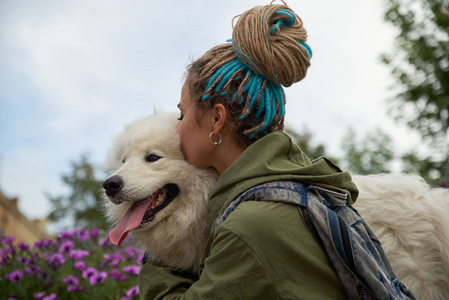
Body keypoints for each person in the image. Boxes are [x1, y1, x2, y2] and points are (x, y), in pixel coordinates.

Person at [139, 3, 359, 299]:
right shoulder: (295, 190)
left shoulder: (249, 224)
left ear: (216, 120)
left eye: (182, 115)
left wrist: (161, 252)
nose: (176, 129)